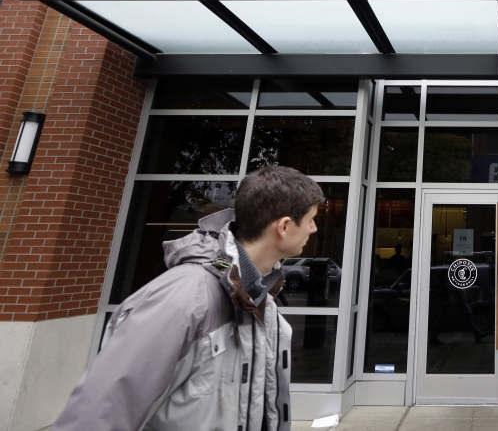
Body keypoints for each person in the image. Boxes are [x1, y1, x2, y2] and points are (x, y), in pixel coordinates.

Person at [52, 165, 325, 431]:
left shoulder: (260, 297)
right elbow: (99, 416)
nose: (313, 229)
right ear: (285, 226)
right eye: (311, 219)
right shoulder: (183, 299)